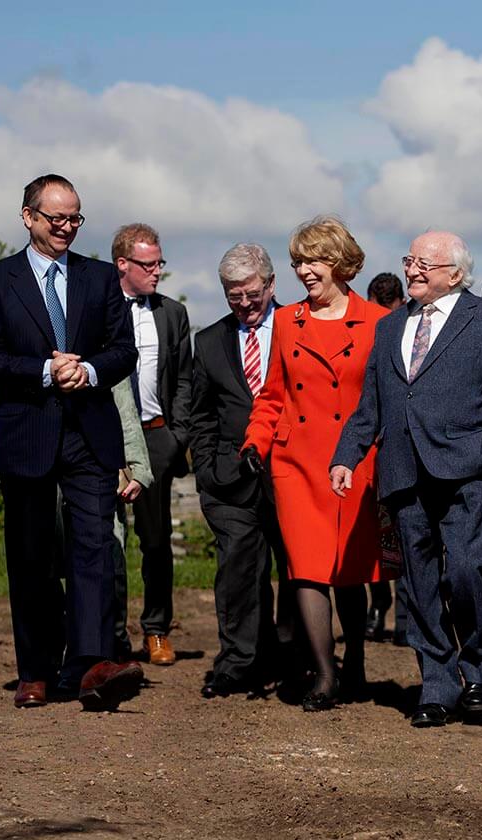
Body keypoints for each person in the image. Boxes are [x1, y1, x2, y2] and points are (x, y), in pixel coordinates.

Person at [331, 231, 482, 728]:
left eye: (423, 263)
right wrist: (346, 457)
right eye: (409, 260)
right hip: (403, 471)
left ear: (455, 274)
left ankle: (477, 671)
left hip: (466, 473)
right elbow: (371, 405)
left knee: (466, 572)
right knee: (417, 587)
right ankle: (437, 686)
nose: (411, 270)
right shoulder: (390, 326)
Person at [0, 173, 140, 710]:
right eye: (56, 218)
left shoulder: (101, 277)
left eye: (75, 218)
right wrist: (45, 370)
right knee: (32, 556)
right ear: (28, 217)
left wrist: (87, 370)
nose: (67, 227)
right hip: (27, 431)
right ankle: (36, 671)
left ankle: (88, 667)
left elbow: (124, 350)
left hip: (90, 433)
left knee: (93, 549)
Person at [241, 217, 396, 712]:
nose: (304, 271)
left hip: (355, 460)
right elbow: (273, 395)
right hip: (297, 463)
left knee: (349, 569)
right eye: (298, 262)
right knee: (306, 569)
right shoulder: (288, 322)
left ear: (341, 263)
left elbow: (388, 397)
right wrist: (255, 442)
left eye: (314, 260)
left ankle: (357, 662)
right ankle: (326, 675)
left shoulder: (379, 322)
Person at [0, 378, 153, 664]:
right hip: (40, 470)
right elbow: (10, 410)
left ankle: (108, 649)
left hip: (96, 468)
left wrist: (138, 465)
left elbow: (123, 405)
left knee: (106, 560)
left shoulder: (98, 350)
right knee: (45, 565)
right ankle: (55, 653)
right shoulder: (29, 355)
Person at [190, 243, 302, 698]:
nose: (244, 304)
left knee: (296, 571)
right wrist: (207, 469)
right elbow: (200, 414)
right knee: (239, 570)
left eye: (252, 294)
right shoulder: (208, 342)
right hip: (230, 479)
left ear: (271, 285)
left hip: (292, 473)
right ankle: (239, 662)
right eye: (233, 296)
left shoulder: (300, 326)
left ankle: (294, 659)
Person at [113, 224, 192, 667]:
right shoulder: (98, 308)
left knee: (156, 541)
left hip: (157, 436)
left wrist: (176, 436)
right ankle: (109, 633)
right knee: (105, 539)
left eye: (159, 263)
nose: (157, 271)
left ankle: (157, 629)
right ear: (122, 264)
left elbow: (184, 379)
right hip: (107, 441)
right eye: (148, 264)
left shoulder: (172, 313)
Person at [363, 271, 407, 643]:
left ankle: (405, 617)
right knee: (376, 533)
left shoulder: (409, 329)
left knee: (407, 533)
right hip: (372, 450)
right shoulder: (371, 330)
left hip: (401, 449)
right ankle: (379, 606)